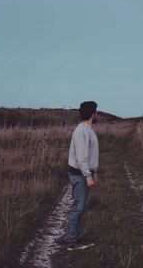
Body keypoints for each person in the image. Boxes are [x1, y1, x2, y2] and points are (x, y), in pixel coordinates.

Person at [60, 101, 99, 250]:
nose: (97, 114)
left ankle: (77, 235)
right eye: (96, 111)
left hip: (84, 174)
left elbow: (90, 156)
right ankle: (71, 239)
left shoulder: (88, 130)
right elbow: (82, 158)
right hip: (80, 175)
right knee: (78, 207)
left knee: (81, 207)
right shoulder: (82, 131)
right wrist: (88, 176)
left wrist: (94, 172)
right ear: (92, 114)